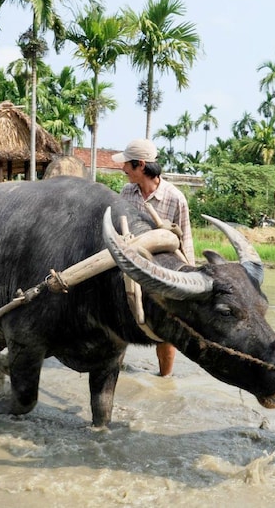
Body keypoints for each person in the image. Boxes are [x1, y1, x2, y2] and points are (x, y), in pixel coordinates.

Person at [112, 138, 195, 377]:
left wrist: (186, 281)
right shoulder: (127, 192)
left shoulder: (174, 197)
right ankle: (115, 369)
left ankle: (164, 380)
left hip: (162, 273)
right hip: (131, 267)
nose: (123, 169)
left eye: (127, 164)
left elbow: (185, 240)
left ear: (140, 165)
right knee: (121, 322)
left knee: (166, 332)